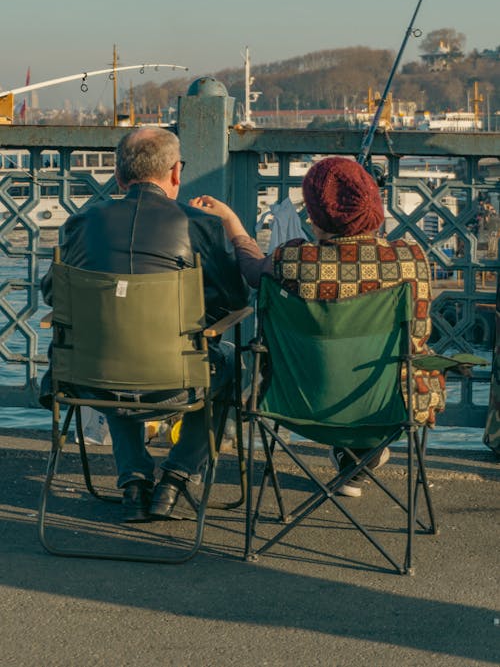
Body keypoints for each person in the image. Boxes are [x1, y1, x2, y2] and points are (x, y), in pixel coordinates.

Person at [191, 155, 446, 497]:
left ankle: (355, 457)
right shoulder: (410, 259)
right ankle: (359, 456)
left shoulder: (293, 260)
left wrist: (232, 222)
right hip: (394, 406)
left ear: (314, 213)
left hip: (299, 405)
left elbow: (252, 270)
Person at [39, 127, 249, 522]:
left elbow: (54, 294)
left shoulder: (81, 223)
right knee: (232, 367)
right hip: (175, 381)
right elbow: (234, 300)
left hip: (89, 377)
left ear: (119, 177)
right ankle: (178, 478)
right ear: (175, 173)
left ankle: (134, 481)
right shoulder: (200, 226)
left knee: (111, 346)